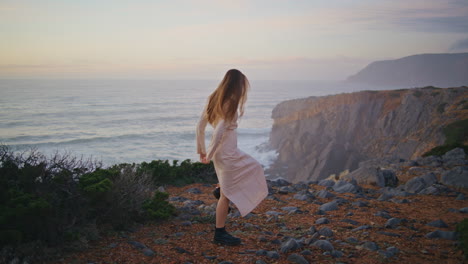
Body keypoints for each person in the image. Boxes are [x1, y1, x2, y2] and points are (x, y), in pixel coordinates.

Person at [196, 69, 268, 246]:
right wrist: (208, 153)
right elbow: (220, 130)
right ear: (236, 84)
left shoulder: (214, 98)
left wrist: (202, 150)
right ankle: (219, 234)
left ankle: (221, 189)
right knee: (227, 197)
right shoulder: (230, 102)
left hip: (224, 153)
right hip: (227, 153)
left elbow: (200, 126)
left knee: (254, 167)